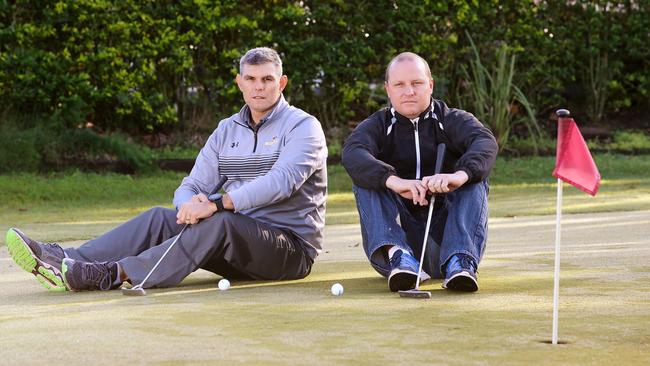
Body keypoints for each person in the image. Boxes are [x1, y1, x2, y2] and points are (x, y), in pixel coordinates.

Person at [6, 47, 328, 292]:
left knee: (221, 221)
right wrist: (187, 208)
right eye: (252, 79)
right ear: (240, 82)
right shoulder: (227, 129)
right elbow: (193, 183)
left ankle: (113, 274)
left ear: (281, 82)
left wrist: (215, 204)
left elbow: (282, 181)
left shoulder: (303, 127)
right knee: (161, 217)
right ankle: (67, 258)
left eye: (268, 79)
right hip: (234, 241)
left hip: (289, 250)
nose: (259, 87)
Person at [342, 52, 497, 293]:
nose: (409, 91)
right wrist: (394, 181)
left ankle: (461, 262)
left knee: (474, 177)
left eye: (417, 83)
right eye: (400, 85)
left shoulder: (452, 119)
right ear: (388, 89)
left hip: (446, 234)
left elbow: (485, 142)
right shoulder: (378, 125)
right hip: (402, 240)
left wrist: (458, 176)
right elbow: (353, 153)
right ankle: (400, 257)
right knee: (367, 179)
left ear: (430, 85)